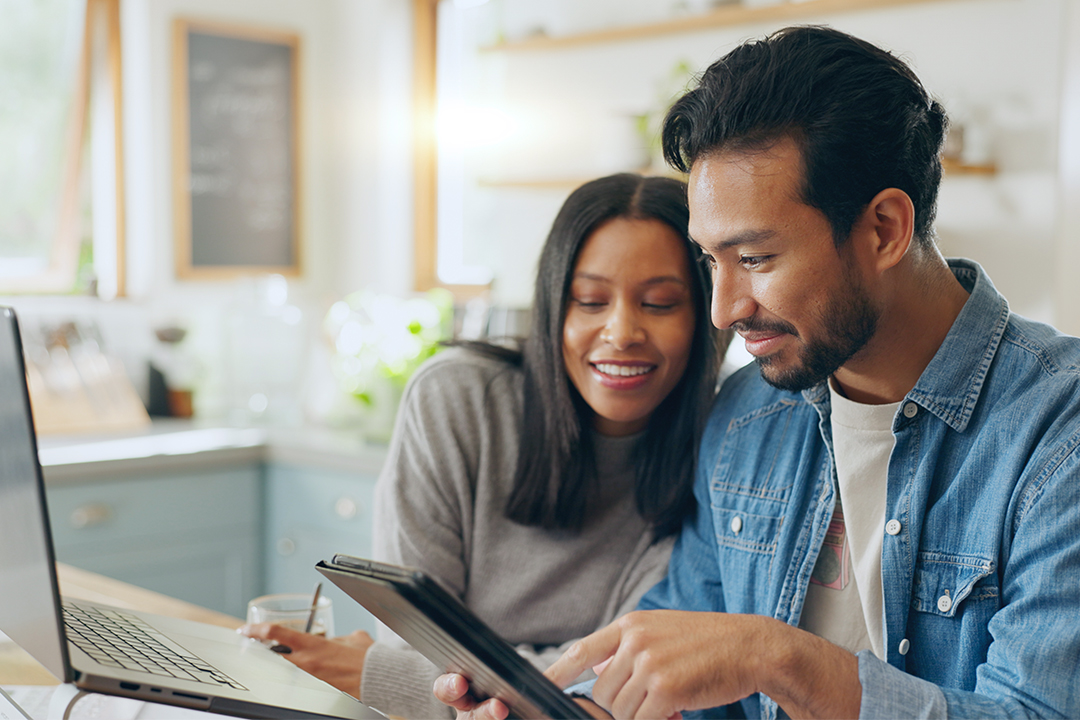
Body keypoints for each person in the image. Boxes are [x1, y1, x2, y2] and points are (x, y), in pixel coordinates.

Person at [435, 26, 1080, 719]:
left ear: (885, 229)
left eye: (757, 259)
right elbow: (678, 666)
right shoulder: (747, 416)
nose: (723, 310)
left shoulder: (1055, 433)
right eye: (712, 260)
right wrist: (558, 707)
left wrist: (780, 658)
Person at [243, 173, 728, 719]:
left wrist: (374, 673)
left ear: (704, 316)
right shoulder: (456, 400)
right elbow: (415, 638)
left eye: (660, 304)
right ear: (552, 310)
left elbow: (622, 684)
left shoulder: (722, 444)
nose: (620, 332)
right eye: (590, 301)